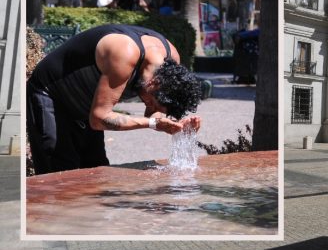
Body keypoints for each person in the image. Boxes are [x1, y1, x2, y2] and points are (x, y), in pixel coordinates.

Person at [27, 24, 202, 175]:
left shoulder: (171, 62)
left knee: (96, 171)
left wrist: (177, 125)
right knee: (59, 174)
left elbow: (155, 112)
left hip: (87, 104)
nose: (148, 107)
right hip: (50, 95)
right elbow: (99, 119)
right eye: (149, 103)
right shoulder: (124, 54)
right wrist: (152, 123)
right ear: (154, 83)